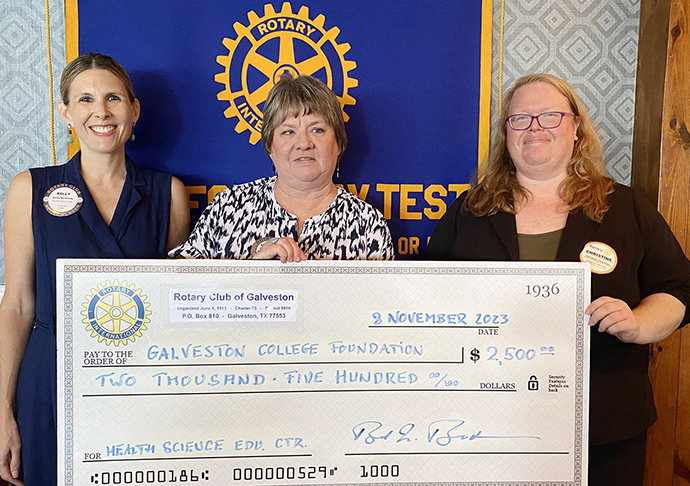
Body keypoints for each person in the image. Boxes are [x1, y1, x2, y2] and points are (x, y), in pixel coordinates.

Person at [426, 73, 690, 485]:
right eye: (520, 119)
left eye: (549, 116)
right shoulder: (470, 210)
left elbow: (678, 289)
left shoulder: (625, 208)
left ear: (576, 129)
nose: (534, 127)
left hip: (603, 426)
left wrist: (638, 323)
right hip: (484, 425)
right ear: (506, 133)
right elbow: (426, 295)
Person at [0, 53, 190, 485]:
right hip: (49, 383)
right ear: (65, 112)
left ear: (134, 109)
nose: (101, 112)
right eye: (85, 99)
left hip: (141, 384)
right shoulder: (29, 189)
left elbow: (180, 304)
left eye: (113, 98)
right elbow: (17, 305)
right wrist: (1, 411)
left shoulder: (168, 194)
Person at [170, 75, 393, 261]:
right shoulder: (228, 207)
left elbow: (381, 309)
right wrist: (250, 269)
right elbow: (175, 288)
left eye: (317, 130)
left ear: (339, 144)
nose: (304, 143)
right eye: (288, 131)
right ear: (270, 147)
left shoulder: (368, 224)